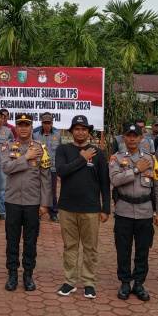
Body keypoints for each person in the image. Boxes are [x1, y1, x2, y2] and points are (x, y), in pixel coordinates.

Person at [55, 115, 110, 300]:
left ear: (88, 132)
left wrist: (106, 208)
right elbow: (62, 171)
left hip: (91, 208)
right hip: (67, 207)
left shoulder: (97, 152)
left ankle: (88, 282)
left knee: (90, 247)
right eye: (77, 129)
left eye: (84, 129)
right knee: (70, 246)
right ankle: (70, 281)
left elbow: (104, 181)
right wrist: (82, 158)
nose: (80, 132)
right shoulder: (63, 149)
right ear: (71, 131)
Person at [109, 124, 158, 302]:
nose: (132, 139)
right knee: (123, 250)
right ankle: (125, 282)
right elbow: (116, 180)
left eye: (136, 136)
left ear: (142, 138)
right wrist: (136, 170)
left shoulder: (151, 159)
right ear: (123, 138)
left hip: (145, 212)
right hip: (124, 210)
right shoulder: (116, 159)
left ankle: (139, 283)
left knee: (142, 251)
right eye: (129, 135)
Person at [0, 113, 52, 292]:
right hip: (12, 201)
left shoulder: (41, 148)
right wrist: (26, 157)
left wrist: (45, 203)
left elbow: (46, 178)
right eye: (20, 125)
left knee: (31, 240)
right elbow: (6, 168)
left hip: (32, 203)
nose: (23, 128)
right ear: (16, 127)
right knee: (12, 239)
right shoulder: (8, 146)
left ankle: (28, 274)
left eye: (26, 125)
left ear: (31, 127)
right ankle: (12, 274)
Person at [33, 112, 61, 222]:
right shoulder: (35, 134)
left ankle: (53, 213)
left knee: (52, 191)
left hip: (53, 168)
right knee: (38, 190)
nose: (47, 125)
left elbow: (60, 152)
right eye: (44, 123)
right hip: (39, 168)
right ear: (41, 122)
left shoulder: (57, 134)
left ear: (52, 123)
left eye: (49, 123)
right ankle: (38, 213)